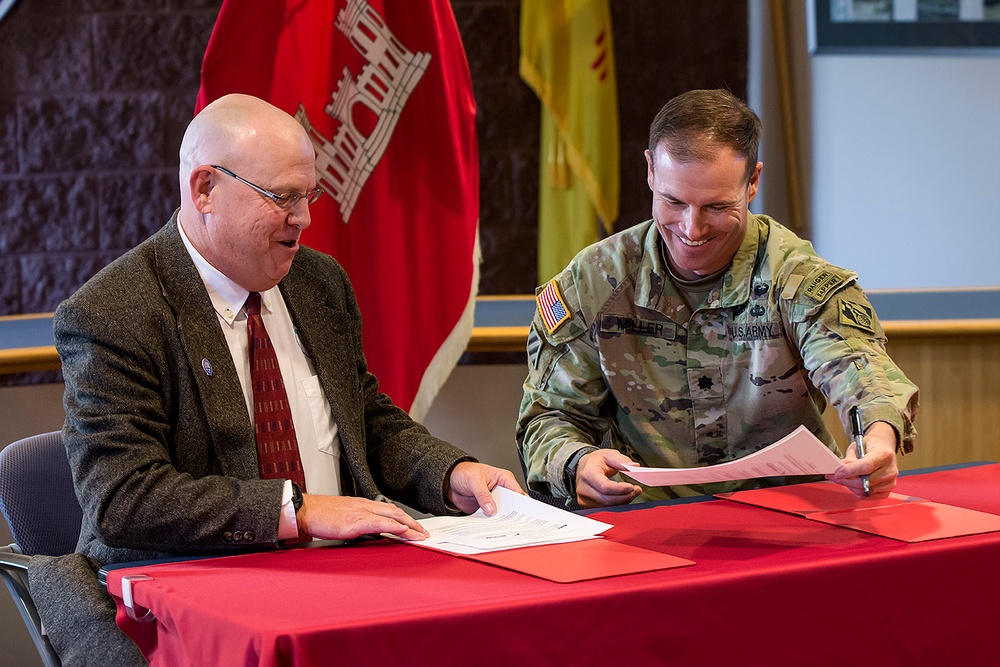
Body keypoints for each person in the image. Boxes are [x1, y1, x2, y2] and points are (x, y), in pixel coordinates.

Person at [29, 93, 522, 666]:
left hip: (347, 585)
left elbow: (365, 420)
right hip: (195, 602)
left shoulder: (318, 282)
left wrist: (451, 473)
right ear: (205, 189)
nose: (304, 219)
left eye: (308, 194)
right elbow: (125, 498)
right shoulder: (114, 312)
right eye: (282, 197)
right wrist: (298, 510)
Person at [516, 88, 918, 509]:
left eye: (716, 207)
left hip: (792, 513)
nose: (692, 229)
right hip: (647, 516)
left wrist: (877, 437)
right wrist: (574, 463)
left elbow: (860, 371)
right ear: (650, 170)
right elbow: (549, 417)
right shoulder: (595, 281)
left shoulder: (794, 275)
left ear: (753, 183)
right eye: (673, 201)